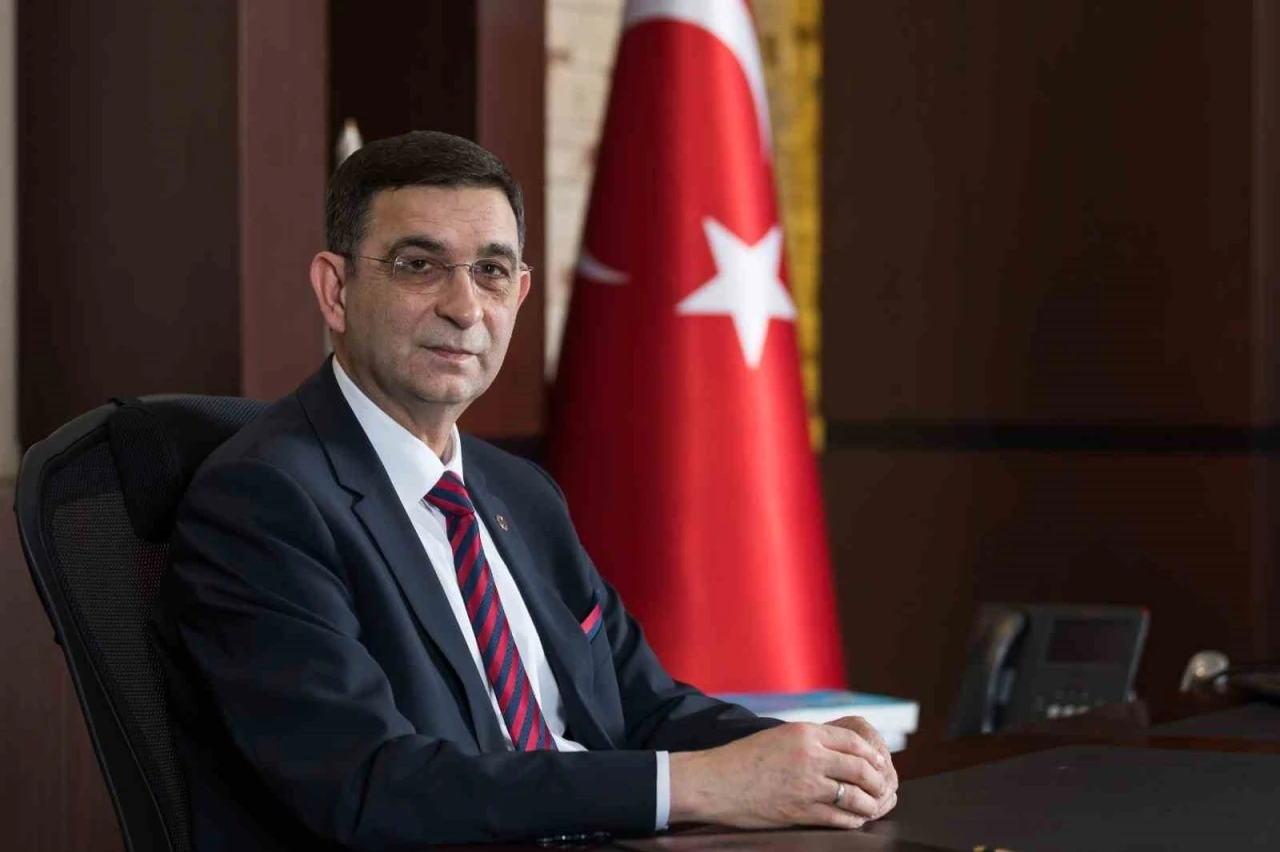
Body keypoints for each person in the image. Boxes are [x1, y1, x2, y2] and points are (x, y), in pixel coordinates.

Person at [151, 130, 898, 850]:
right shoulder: (264, 499)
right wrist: (700, 787)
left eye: (492, 271)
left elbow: (643, 706)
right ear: (336, 289)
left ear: (521, 292)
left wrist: (809, 758)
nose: (465, 307)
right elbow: (369, 784)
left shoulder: (521, 493)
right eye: (419, 265)